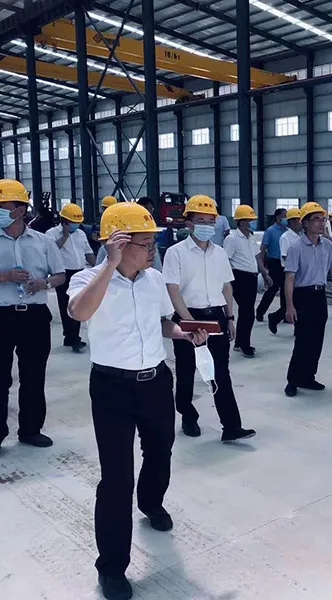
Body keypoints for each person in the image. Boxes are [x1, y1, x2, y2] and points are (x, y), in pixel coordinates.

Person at [67, 202, 208, 600]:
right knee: (116, 478)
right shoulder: (88, 279)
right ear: (118, 243)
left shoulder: (154, 280)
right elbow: (79, 313)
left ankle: (151, 502)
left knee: (161, 448)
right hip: (111, 388)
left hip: (155, 382)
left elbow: (162, 321)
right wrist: (109, 266)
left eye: (153, 244)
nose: (152, 251)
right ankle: (112, 567)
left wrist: (183, 333)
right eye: (145, 244)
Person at [163, 195, 256, 441]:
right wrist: (190, 324)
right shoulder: (175, 253)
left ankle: (231, 427)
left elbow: (226, 287)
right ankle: (188, 416)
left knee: (221, 372)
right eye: (200, 221)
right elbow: (173, 290)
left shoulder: (220, 253)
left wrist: (230, 317)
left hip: (216, 317)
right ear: (189, 223)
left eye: (210, 221)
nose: (206, 225)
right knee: (186, 371)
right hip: (188, 316)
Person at [0, 179, 66, 451]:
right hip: (1, 316)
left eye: (3, 206)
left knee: (34, 375)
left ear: (20, 210)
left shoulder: (43, 242)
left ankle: (30, 430)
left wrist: (44, 283)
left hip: (35, 316)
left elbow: (60, 275)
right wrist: (5, 276)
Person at [283, 202, 332, 397]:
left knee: (317, 340)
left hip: (319, 296)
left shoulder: (327, 245)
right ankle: (293, 380)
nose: (321, 223)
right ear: (305, 223)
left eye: (323, 219)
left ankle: (308, 377)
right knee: (303, 340)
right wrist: (290, 306)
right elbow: (290, 278)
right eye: (316, 220)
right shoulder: (296, 247)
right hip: (302, 296)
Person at [46, 202, 96, 353]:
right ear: (64, 221)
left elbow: (88, 252)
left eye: (77, 222)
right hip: (62, 274)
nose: (75, 225)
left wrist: (97, 267)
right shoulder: (51, 233)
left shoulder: (81, 234)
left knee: (78, 304)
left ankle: (72, 337)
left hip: (79, 272)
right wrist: (65, 236)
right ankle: (72, 337)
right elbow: (51, 251)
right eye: (72, 222)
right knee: (65, 306)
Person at [224, 204, 269, 355]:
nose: (252, 223)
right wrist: (227, 282)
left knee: (246, 311)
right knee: (247, 313)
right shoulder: (232, 239)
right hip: (239, 277)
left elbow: (257, 257)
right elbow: (226, 260)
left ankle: (239, 342)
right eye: (249, 220)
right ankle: (245, 345)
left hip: (251, 277)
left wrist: (265, 273)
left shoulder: (251, 237)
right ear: (241, 221)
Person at [255, 208, 285, 323]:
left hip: (285, 263)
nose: (286, 219)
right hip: (274, 262)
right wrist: (262, 266)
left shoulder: (287, 231)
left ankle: (284, 314)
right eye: (284, 216)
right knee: (273, 288)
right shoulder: (270, 231)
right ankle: (260, 311)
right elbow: (263, 248)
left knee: (285, 289)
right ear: (277, 217)